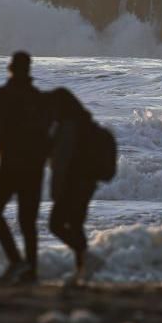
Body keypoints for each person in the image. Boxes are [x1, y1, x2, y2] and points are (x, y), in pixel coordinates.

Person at [0, 51, 54, 285]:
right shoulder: (39, 98)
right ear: (29, 69)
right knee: (28, 221)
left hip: (12, 164)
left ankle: (16, 261)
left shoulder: (4, 94)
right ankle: (30, 270)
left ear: (11, 68)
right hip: (34, 167)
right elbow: (48, 135)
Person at [48, 87, 104, 285]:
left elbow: (61, 161)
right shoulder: (85, 123)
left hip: (72, 184)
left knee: (55, 224)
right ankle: (82, 270)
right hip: (87, 183)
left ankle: (87, 259)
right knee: (76, 224)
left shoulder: (67, 127)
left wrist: (56, 188)